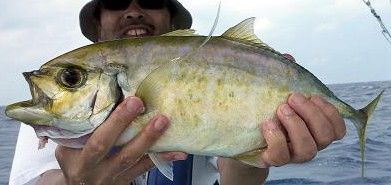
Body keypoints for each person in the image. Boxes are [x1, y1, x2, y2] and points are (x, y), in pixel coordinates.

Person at [9, 0, 346, 184]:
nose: (133, 10)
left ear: (172, 23)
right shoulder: (53, 119)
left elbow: (237, 182)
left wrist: (267, 150)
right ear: (98, 27)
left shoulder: (212, 66)